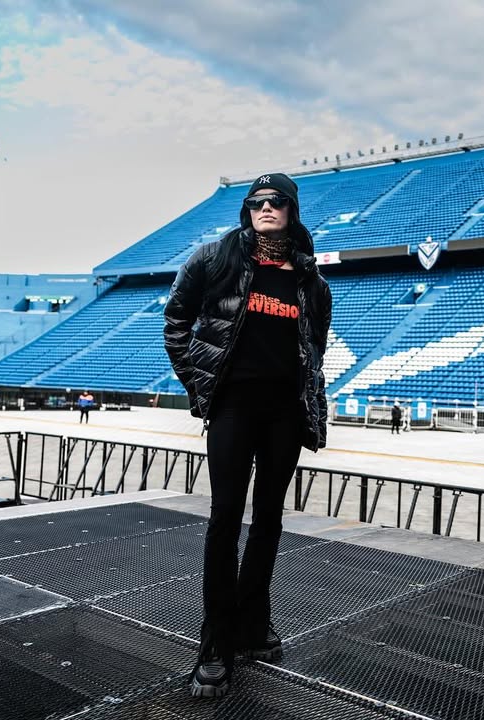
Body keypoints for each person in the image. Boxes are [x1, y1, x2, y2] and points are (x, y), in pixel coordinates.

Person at [164, 172, 332, 698]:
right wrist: (200, 388)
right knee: (224, 522)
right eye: (256, 202)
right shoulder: (214, 259)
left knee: (269, 522)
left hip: (284, 412)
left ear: (291, 209)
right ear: (247, 209)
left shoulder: (310, 281)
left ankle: (253, 626)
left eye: (275, 201)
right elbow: (175, 321)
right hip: (234, 409)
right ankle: (214, 645)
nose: (265, 208)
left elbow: (315, 351)